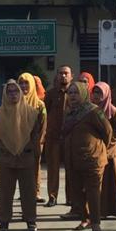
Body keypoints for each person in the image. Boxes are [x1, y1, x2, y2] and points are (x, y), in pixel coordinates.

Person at [62, 81, 112, 231]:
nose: (72, 96)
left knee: (93, 192)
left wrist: (98, 148)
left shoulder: (94, 111)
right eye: (70, 93)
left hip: (92, 159)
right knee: (76, 191)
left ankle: (96, 223)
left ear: (83, 93)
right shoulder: (69, 112)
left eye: (76, 93)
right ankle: (85, 219)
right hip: (73, 159)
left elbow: (108, 132)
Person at [0, 79, 44, 231]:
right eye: (9, 92)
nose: (13, 94)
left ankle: (31, 220)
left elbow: (36, 135)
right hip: (6, 157)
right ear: (5, 95)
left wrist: (32, 151)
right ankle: (4, 221)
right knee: (5, 192)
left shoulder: (32, 112)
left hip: (26, 156)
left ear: (21, 93)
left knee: (29, 192)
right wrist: (4, 150)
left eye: (16, 91)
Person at [93, 82, 116, 219]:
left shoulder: (112, 110)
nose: (96, 96)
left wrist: (109, 145)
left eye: (99, 93)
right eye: (94, 92)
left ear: (106, 93)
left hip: (110, 153)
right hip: (96, 151)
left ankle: (113, 209)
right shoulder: (92, 109)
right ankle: (99, 210)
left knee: (111, 182)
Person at [43, 66, 73, 207]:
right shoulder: (50, 94)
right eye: (60, 73)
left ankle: (71, 198)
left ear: (71, 76)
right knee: (53, 169)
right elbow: (46, 113)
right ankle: (52, 197)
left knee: (71, 169)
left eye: (66, 73)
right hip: (53, 137)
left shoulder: (75, 94)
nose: (63, 76)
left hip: (70, 137)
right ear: (57, 76)